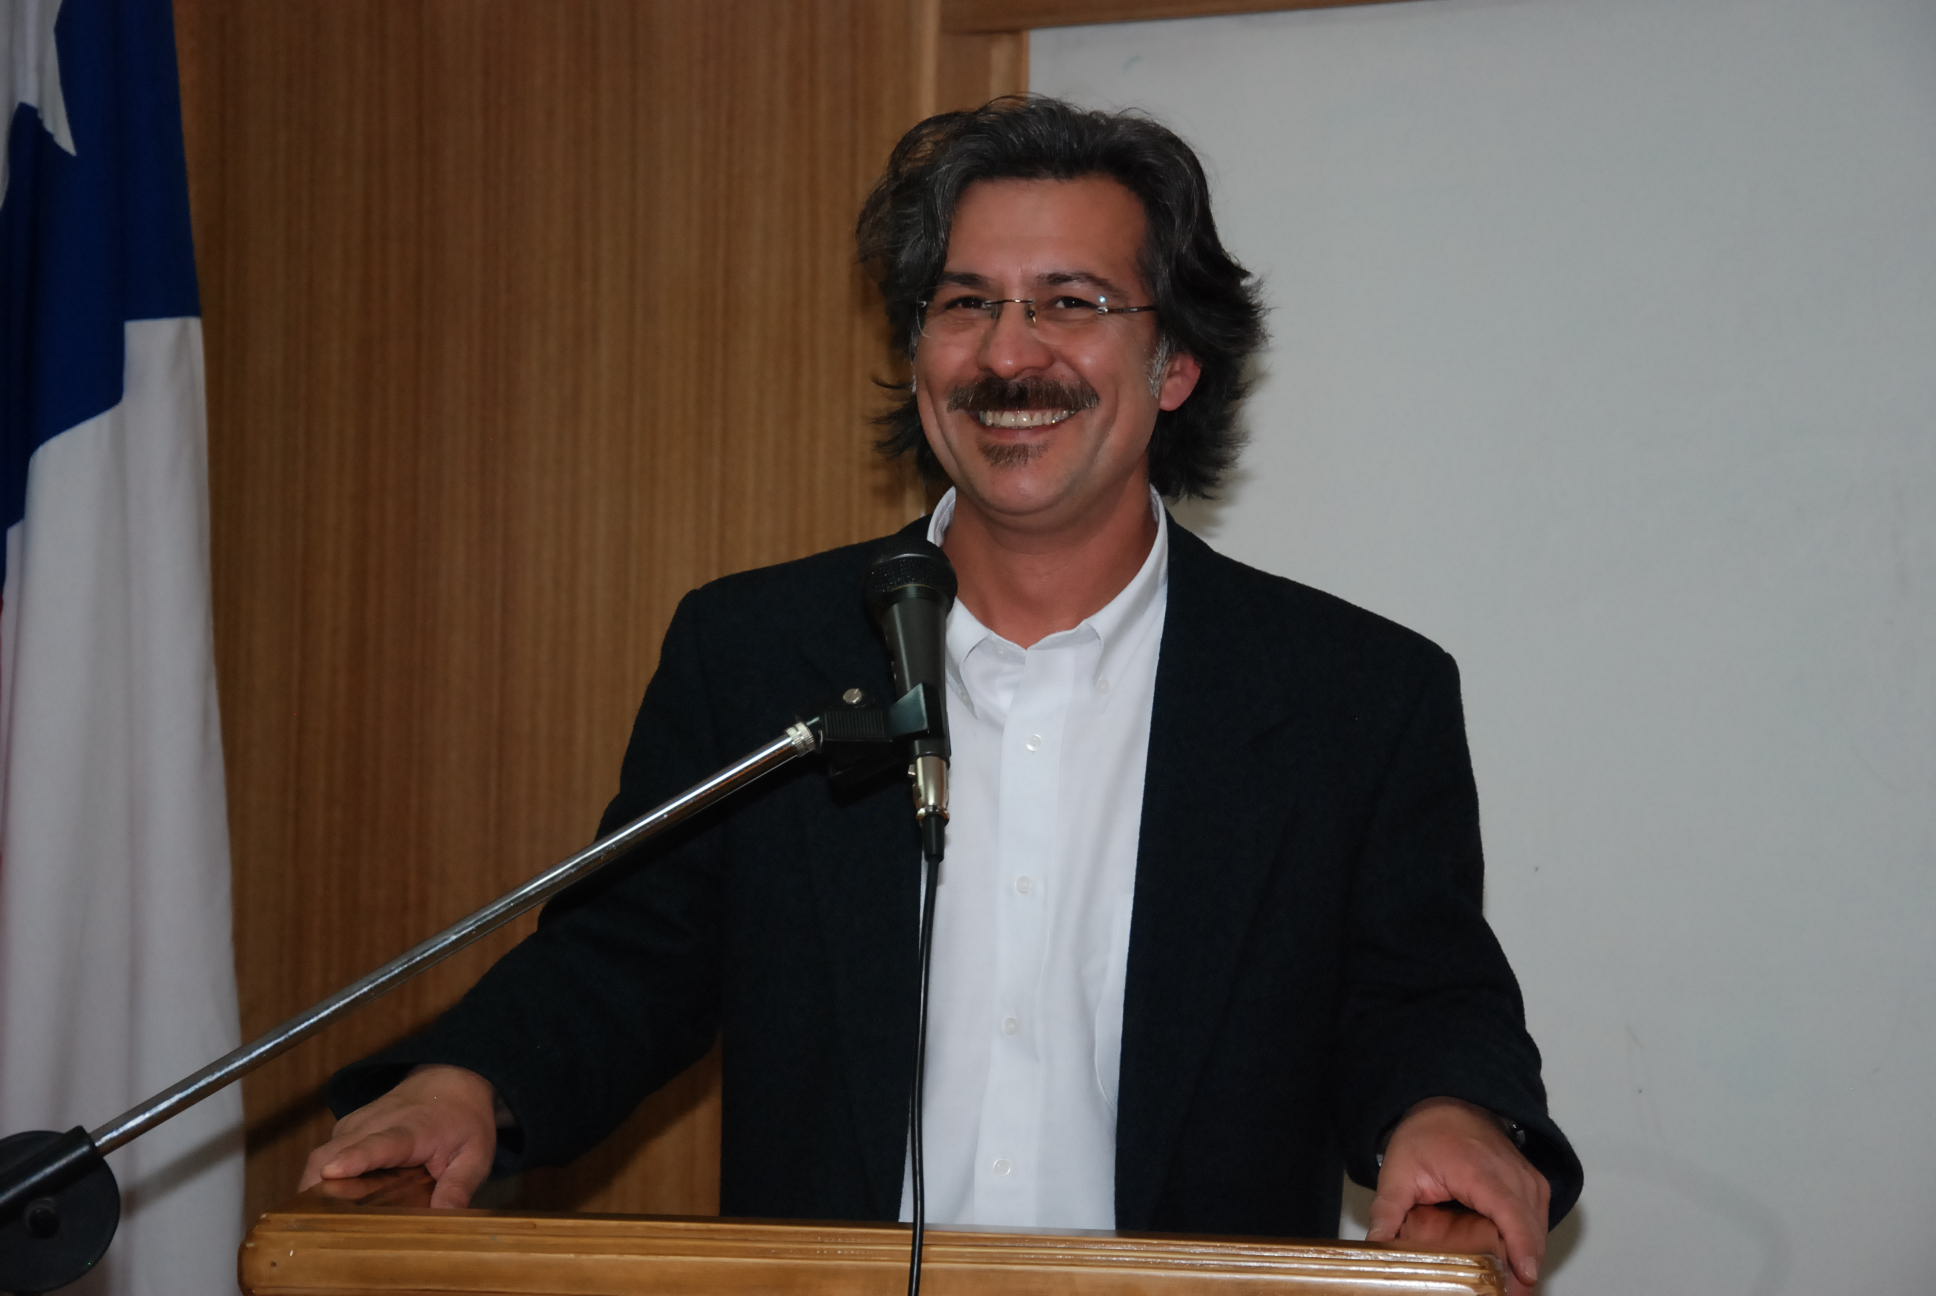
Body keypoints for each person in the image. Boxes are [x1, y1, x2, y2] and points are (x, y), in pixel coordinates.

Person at [305, 96, 1581, 1293]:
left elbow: (1417, 993)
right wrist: (469, 1083)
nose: (1008, 354)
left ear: (1176, 363)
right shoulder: (758, 651)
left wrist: (1450, 1111)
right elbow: (627, 960)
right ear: (918, 355)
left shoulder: (1353, 696)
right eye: (965, 303)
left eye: (1070, 302)